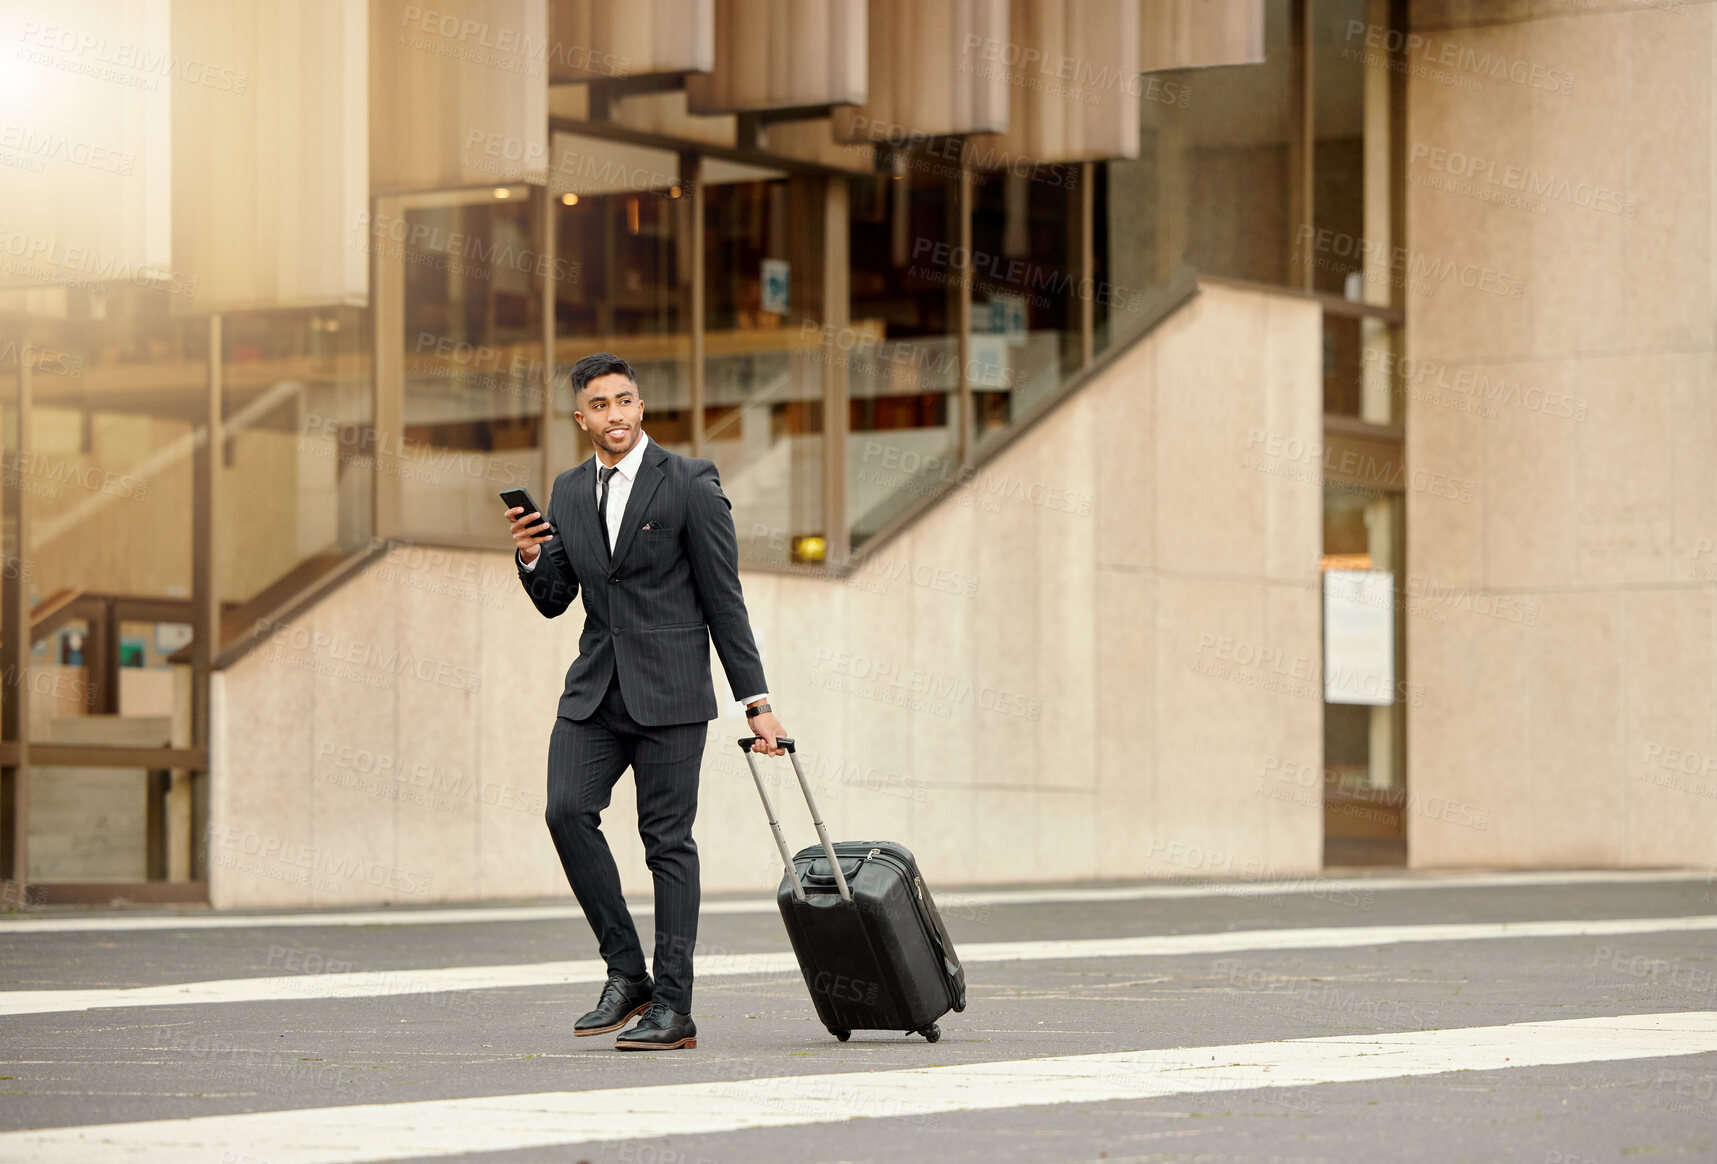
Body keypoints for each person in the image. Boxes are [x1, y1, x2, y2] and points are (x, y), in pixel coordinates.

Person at [506, 352, 786, 1051]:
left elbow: (726, 600)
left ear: (640, 406)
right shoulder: (569, 491)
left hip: (670, 692)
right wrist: (531, 557)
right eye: (599, 405)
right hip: (595, 689)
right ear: (582, 418)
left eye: (624, 400)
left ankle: (675, 1007)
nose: (615, 415)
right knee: (565, 811)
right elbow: (555, 602)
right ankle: (626, 974)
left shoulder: (689, 481)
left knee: (666, 844)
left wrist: (756, 703)